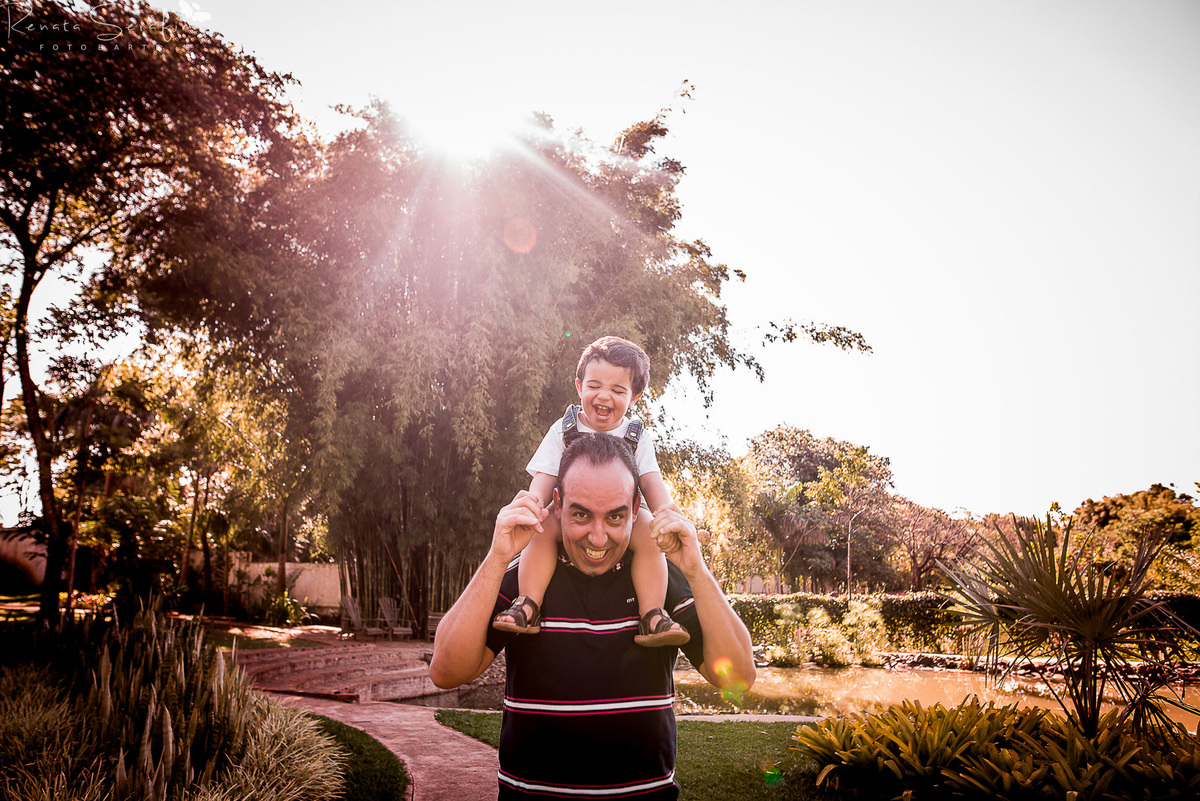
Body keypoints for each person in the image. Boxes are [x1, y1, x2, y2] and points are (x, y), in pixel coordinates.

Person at [430, 433, 756, 799]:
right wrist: (497, 556)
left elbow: (739, 679)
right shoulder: (525, 576)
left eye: (615, 516)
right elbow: (446, 672)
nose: (598, 538)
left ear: (636, 510)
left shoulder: (661, 577)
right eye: (581, 514)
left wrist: (697, 570)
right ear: (557, 503)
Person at [492, 336, 687, 646]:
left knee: (650, 533)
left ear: (634, 397)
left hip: (621, 518)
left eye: (618, 390)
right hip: (570, 514)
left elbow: (650, 481)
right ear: (580, 387)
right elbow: (545, 477)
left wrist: (666, 516)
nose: (604, 396)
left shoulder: (636, 435)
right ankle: (527, 604)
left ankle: (652, 614)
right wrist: (532, 508)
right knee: (541, 529)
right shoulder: (564, 428)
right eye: (595, 386)